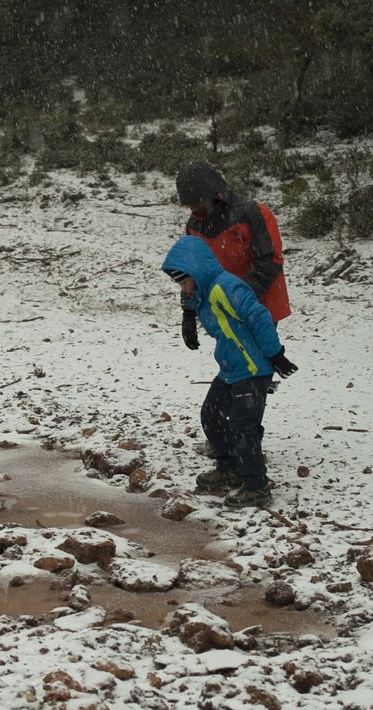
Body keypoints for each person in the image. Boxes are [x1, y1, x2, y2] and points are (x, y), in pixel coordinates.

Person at [162, 235, 297, 509]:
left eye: (184, 281)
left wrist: (276, 355)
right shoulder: (203, 292)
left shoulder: (227, 287)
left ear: (196, 272)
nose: (183, 288)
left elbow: (259, 317)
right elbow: (194, 301)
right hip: (231, 367)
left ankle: (257, 486)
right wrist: (188, 317)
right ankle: (230, 467)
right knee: (210, 415)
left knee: (243, 426)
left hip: (253, 368)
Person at [175, 160, 291, 335]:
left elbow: (270, 261)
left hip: (260, 304)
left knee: (256, 352)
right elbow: (194, 272)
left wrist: (237, 297)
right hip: (224, 307)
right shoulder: (195, 225)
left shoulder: (252, 214)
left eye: (197, 201)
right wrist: (189, 312)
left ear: (213, 194)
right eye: (189, 204)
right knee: (231, 352)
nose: (194, 208)